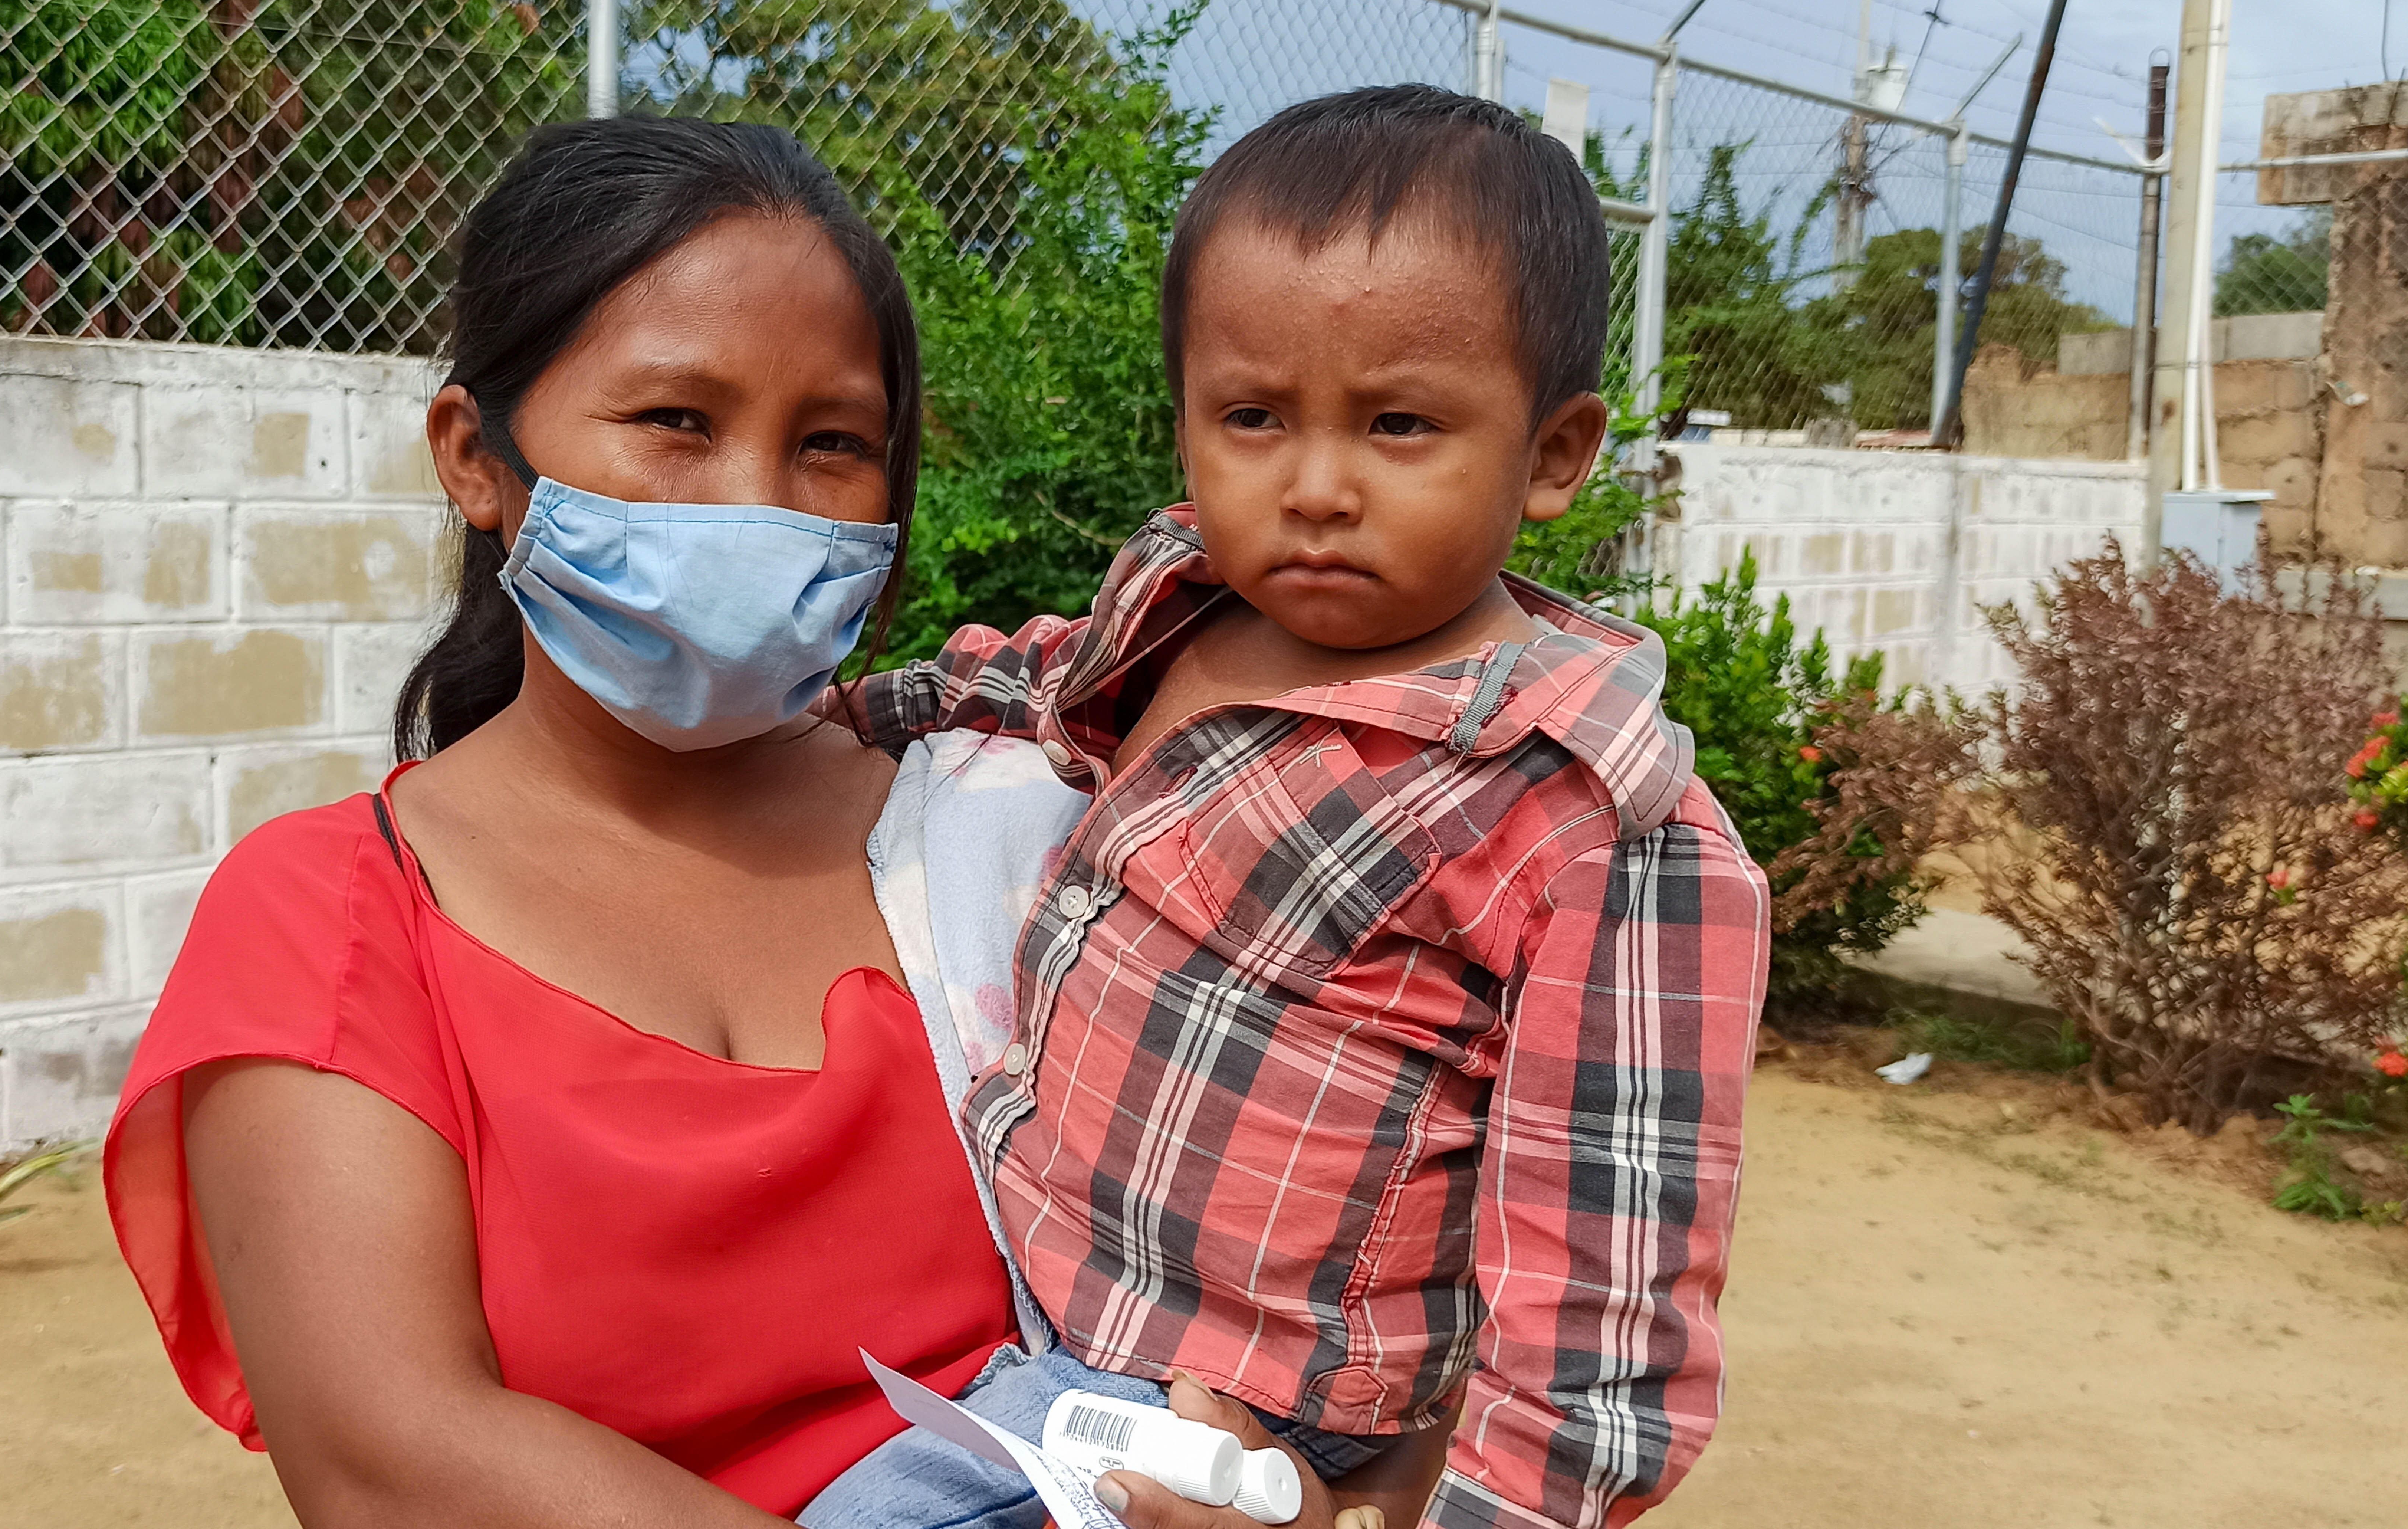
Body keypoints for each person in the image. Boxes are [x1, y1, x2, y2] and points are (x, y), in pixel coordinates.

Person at [104, 114, 1443, 1529]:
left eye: (831, 443)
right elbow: (392, 1452)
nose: (756, 502)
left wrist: (1321, 1499)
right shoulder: (335, 916)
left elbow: (1363, 1232)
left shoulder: (1014, 836)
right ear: (476, 457)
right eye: (677, 421)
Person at [813, 85, 1773, 1529]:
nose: (1316, 487)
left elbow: (1602, 1312)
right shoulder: (1191, 606)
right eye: (1254, 416)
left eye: (1400, 424)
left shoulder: (1591, 820)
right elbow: (1026, 680)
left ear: (1554, 452)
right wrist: (835, 712)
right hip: (1038, 1259)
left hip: (1211, 1401)